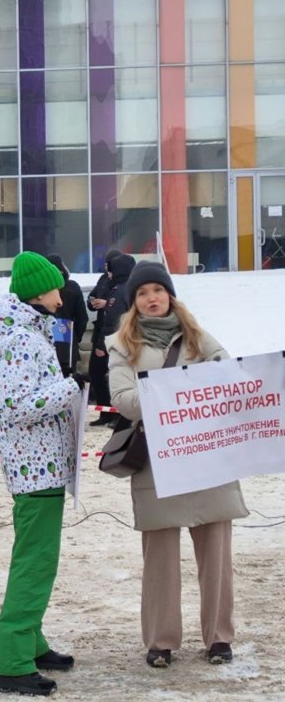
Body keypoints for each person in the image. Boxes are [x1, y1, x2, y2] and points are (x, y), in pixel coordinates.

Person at [106, 262, 249, 668]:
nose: (152, 297)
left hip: (206, 457)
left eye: (158, 289)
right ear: (133, 302)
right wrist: (173, 394)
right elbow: (123, 400)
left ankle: (219, 638)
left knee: (217, 556)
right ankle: (161, 641)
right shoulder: (122, 345)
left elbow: (230, 376)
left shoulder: (198, 337)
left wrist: (195, 391)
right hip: (157, 462)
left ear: (169, 294)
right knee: (160, 559)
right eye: (142, 292)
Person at [0, 252, 83, 696]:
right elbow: (17, 406)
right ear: (40, 291)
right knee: (34, 565)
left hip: (40, 467)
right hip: (35, 470)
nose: (62, 295)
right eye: (57, 286)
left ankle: (31, 642)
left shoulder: (23, 335)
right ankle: (11, 661)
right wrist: (70, 387)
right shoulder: (19, 341)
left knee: (38, 561)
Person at [87, 248, 121, 424]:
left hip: (115, 334)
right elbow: (93, 295)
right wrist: (93, 301)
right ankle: (105, 411)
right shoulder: (102, 279)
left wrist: (107, 303)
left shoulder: (123, 283)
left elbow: (121, 305)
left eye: (109, 265)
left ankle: (118, 413)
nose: (107, 268)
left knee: (116, 374)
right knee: (96, 372)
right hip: (100, 331)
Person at [46, 254, 88, 378]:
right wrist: (76, 337)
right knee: (68, 378)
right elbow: (82, 318)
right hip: (67, 334)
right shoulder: (72, 287)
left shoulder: (43, 289)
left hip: (48, 335)